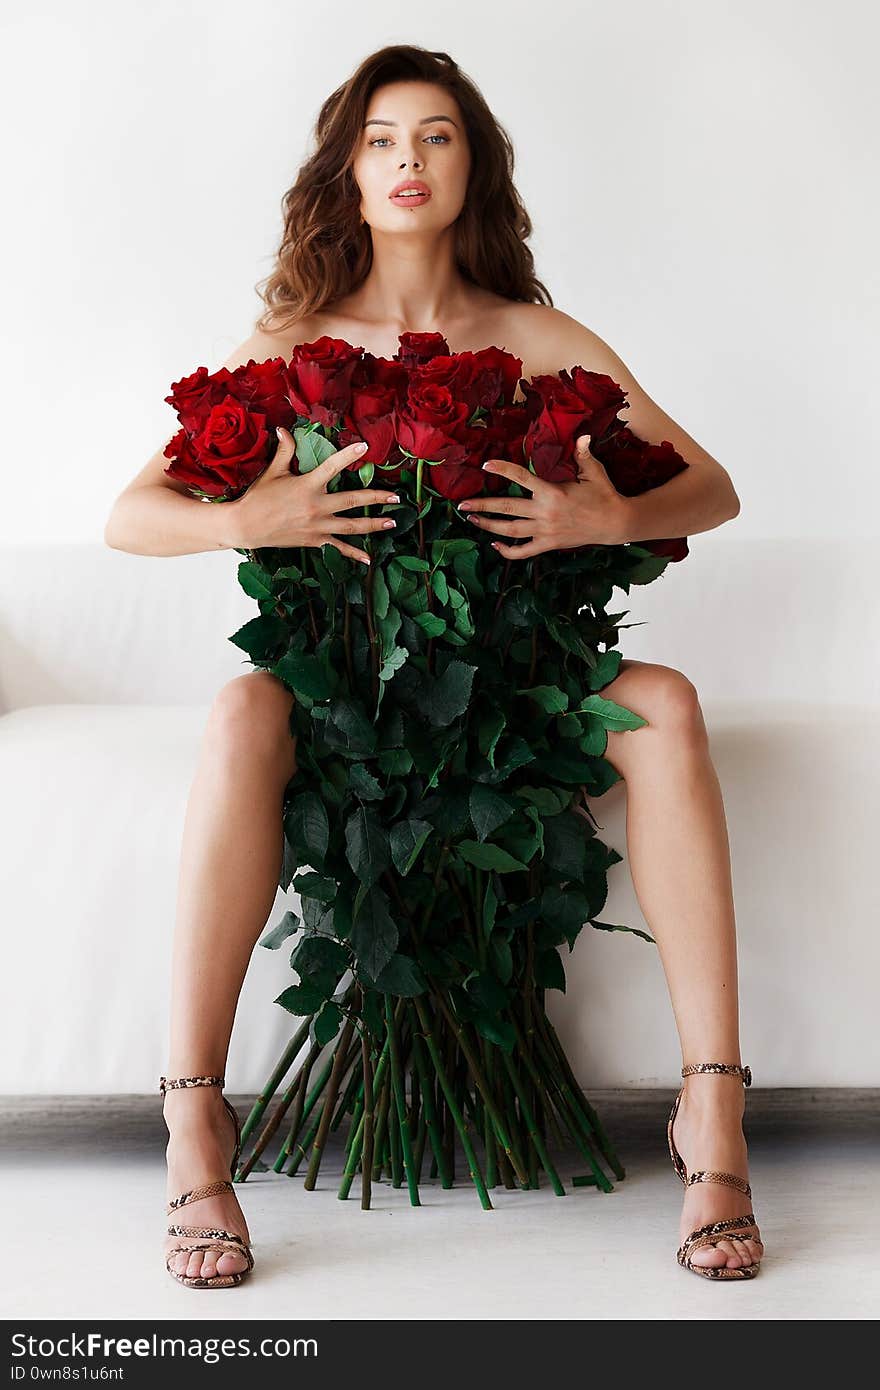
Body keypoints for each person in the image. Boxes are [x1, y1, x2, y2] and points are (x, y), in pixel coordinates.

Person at [104, 43, 763, 1289]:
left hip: (507, 700)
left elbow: (711, 486)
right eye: (382, 139)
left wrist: (596, 518)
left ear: (475, 167)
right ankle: (196, 1120)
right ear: (346, 172)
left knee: (665, 702)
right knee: (245, 703)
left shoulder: (535, 333)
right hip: (349, 710)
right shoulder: (296, 341)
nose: (409, 160)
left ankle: (713, 1118)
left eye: (438, 137)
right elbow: (130, 516)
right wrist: (255, 518)